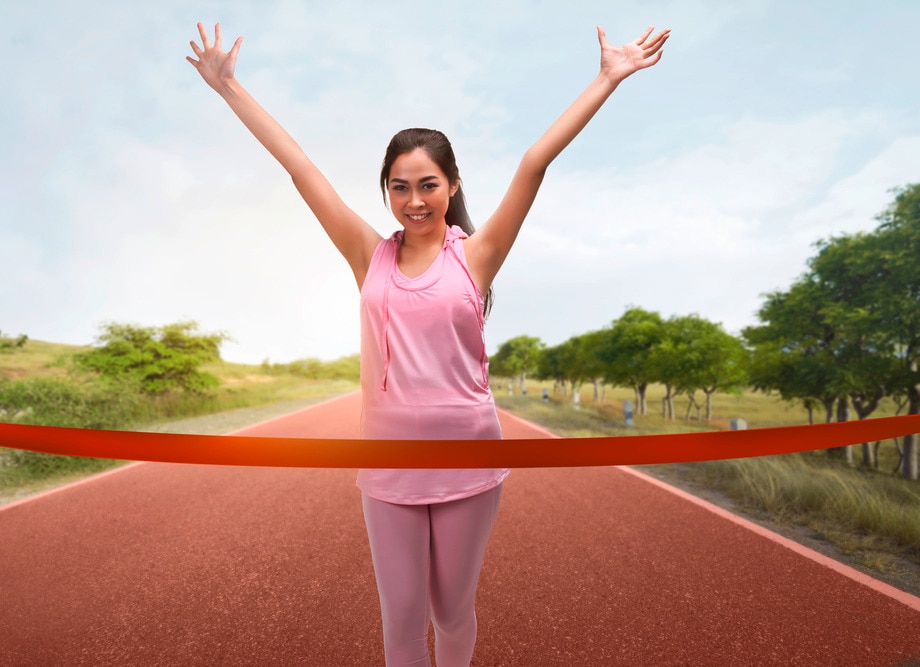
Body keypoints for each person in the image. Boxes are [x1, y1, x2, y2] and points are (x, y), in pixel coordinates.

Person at [187, 21, 669, 667]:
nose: (414, 201)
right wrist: (228, 88)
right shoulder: (368, 255)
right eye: (399, 187)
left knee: (451, 610)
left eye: (428, 185)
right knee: (402, 618)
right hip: (387, 462)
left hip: (468, 457)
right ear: (386, 190)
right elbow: (300, 167)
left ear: (453, 186)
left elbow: (534, 161)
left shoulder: (478, 256)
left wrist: (607, 78)